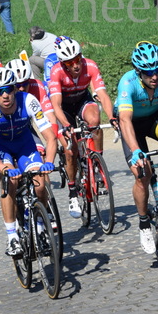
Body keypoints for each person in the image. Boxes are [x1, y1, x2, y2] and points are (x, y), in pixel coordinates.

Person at [0, 68, 57, 256]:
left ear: (15, 89)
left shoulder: (28, 101)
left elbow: (50, 138)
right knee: (10, 182)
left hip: (25, 146)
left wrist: (50, 162)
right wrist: (4, 169)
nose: (5, 95)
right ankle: (12, 236)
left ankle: (39, 223)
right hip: (1, 149)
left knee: (39, 183)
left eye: (8, 89)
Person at [116, 42, 158, 253]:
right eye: (148, 72)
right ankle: (144, 223)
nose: (154, 76)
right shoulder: (127, 82)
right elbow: (125, 120)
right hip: (131, 124)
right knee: (141, 173)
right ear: (139, 72)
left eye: (157, 70)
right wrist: (136, 151)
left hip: (154, 117)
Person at [47, 38, 115, 218]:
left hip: (82, 100)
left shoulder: (90, 66)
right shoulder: (56, 72)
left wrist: (113, 117)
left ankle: (97, 164)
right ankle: (72, 192)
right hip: (64, 110)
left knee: (94, 121)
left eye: (77, 59)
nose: (76, 65)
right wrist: (67, 126)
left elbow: (103, 95)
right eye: (70, 63)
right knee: (71, 150)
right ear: (63, 63)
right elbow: (55, 105)